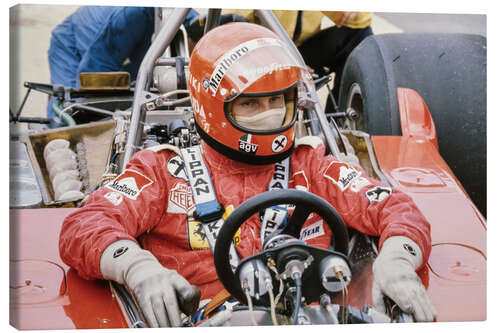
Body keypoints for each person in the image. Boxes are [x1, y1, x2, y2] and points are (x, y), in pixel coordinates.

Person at [59, 22, 436, 327]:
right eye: (252, 104)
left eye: (277, 101)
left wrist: (398, 261)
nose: (269, 114)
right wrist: (137, 267)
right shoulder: (162, 171)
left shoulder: (313, 165)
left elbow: (397, 209)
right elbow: (84, 226)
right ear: (212, 106)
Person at [189, 10, 373, 103]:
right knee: (234, 21)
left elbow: (359, 20)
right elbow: (228, 26)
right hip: (252, 51)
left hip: (300, 51)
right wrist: (282, 60)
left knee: (360, 36)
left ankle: (338, 122)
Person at [46, 6, 198, 118]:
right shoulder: (137, 13)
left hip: (119, 52)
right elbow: (94, 71)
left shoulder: (192, 20)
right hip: (72, 45)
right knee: (68, 113)